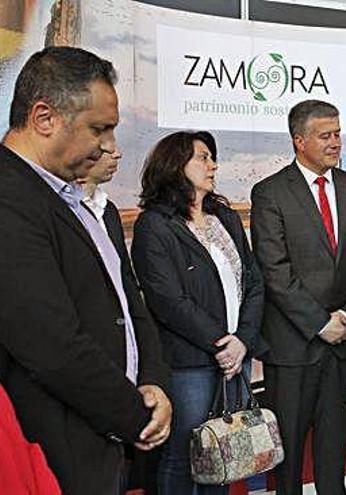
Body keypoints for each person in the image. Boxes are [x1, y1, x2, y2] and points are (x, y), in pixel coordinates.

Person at [0, 46, 171, 495]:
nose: (108, 146)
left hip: (98, 444)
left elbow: (126, 303)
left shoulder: (67, 200)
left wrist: (152, 380)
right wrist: (135, 415)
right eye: (99, 128)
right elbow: (49, 342)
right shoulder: (10, 198)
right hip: (53, 455)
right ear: (44, 118)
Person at [250, 99, 346, 495]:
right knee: (287, 455)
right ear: (299, 141)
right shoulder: (270, 193)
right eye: (326, 135)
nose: (336, 142)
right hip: (292, 347)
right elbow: (275, 270)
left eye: (338, 133)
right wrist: (320, 323)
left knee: (332, 449)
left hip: (341, 343)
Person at [131, 130, 266, 494]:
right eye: (203, 158)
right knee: (183, 457)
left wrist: (243, 342)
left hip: (234, 361)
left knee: (221, 458)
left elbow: (253, 282)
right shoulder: (154, 225)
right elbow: (167, 299)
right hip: (189, 363)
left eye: (212, 157)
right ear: (176, 165)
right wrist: (222, 342)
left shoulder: (226, 217)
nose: (213, 165)